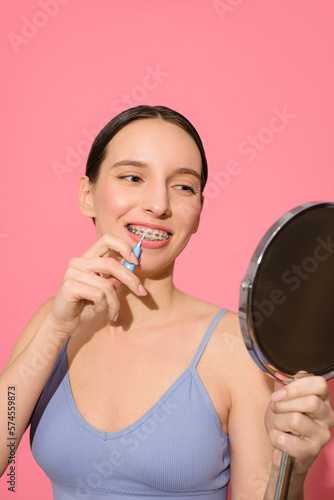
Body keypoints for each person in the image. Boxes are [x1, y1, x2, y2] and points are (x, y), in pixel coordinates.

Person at [0, 105, 333, 500]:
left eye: (183, 186)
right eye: (133, 177)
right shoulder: (51, 321)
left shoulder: (233, 347)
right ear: (87, 195)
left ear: (198, 212)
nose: (159, 204)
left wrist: (289, 474)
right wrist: (55, 329)